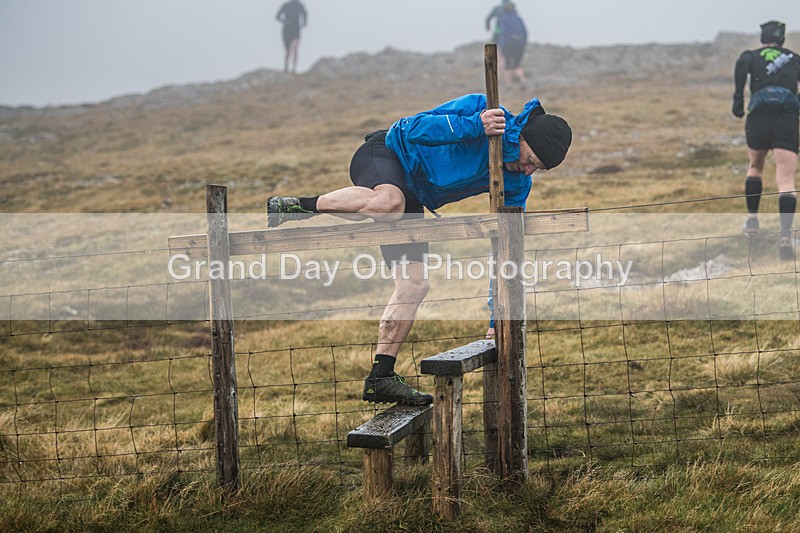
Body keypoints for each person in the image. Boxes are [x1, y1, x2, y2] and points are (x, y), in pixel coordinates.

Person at [267, 94, 572, 405]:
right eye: (531, 160)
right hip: (387, 152)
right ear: (522, 138)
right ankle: (296, 206)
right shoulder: (482, 110)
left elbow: (503, 253)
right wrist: (474, 126)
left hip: (413, 196)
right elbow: (412, 129)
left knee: (415, 284)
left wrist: (496, 319)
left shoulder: (516, 184)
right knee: (390, 203)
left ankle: (380, 376)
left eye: (538, 169)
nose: (529, 171)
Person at [732, 20, 800, 260]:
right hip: (786, 120)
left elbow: (741, 67)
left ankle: (752, 222)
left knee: (755, 167)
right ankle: (784, 236)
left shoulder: (750, 56)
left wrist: (738, 102)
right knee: (786, 180)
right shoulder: (794, 58)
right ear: (781, 39)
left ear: (763, 38)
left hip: (759, 118)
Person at [497, 2, 528, 89]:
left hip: (507, 45)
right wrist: (523, 44)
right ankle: (522, 78)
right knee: (517, 65)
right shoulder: (518, 19)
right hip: (519, 45)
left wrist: (501, 45)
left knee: (507, 65)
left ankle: (508, 85)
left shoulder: (503, 19)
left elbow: (503, 33)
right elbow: (525, 32)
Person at [276, 0, 307, 74]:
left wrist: (304, 22)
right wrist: (285, 21)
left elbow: (305, 14)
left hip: (296, 30)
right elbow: (277, 16)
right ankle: (286, 67)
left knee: (295, 47)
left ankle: (294, 68)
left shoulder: (300, 6)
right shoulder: (286, 5)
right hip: (287, 30)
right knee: (288, 51)